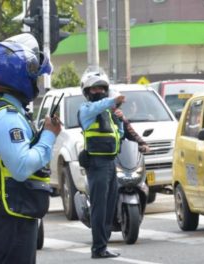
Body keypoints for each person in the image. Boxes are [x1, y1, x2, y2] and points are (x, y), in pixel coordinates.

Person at [0, 33, 61, 264]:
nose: (36, 84)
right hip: (11, 217)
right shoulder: (6, 118)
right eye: (33, 77)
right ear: (19, 76)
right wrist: (49, 135)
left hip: (1, 214)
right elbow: (21, 167)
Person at [78, 72, 125, 258]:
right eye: (94, 88)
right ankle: (98, 248)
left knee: (109, 206)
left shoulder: (108, 113)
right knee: (99, 206)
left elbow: (118, 135)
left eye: (102, 88)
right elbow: (101, 104)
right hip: (97, 164)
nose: (99, 91)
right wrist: (113, 101)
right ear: (87, 92)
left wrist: (119, 120)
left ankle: (103, 245)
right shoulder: (87, 109)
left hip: (110, 162)